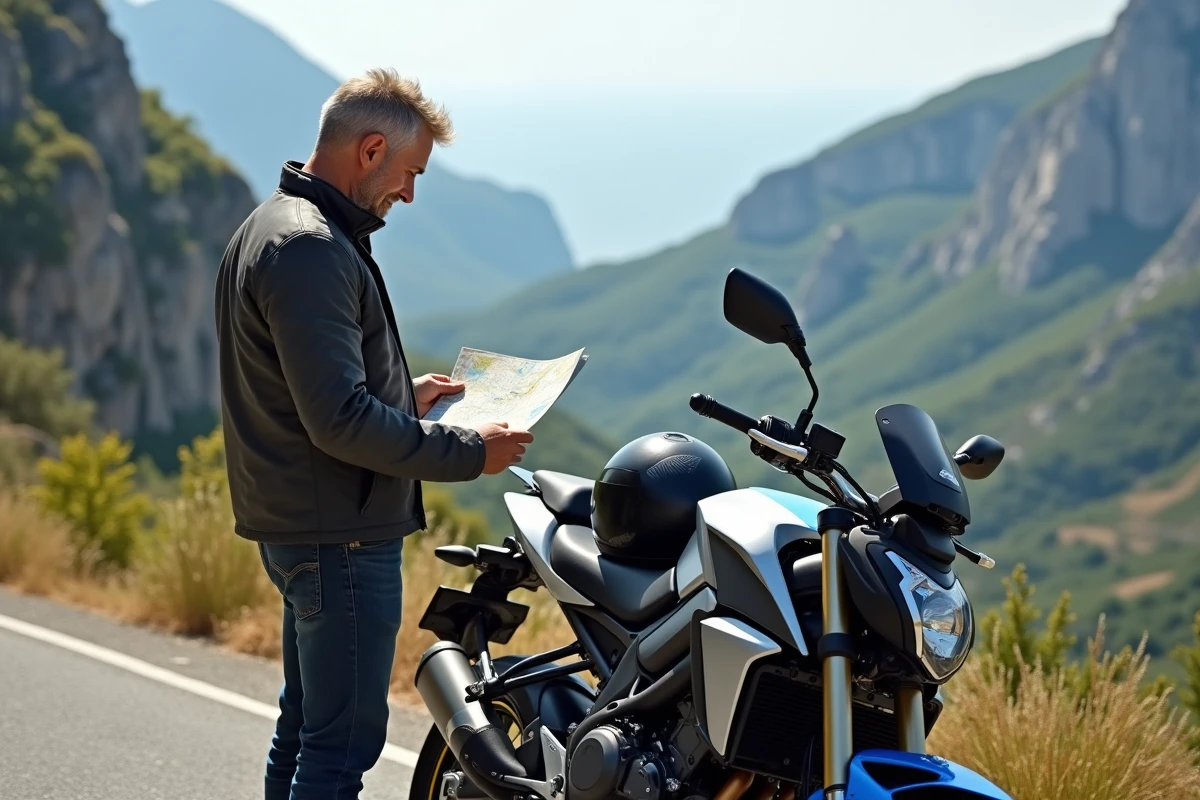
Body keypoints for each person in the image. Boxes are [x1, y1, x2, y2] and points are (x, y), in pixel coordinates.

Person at [213, 67, 533, 800]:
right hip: (341, 538)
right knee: (340, 750)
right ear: (370, 149)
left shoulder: (272, 227)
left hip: (307, 526)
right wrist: (472, 453)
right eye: (410, 173)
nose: (409, 194)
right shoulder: (312, 247)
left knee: (306, 730)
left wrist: (402, 399)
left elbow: (302, 393)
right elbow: (339, 421)